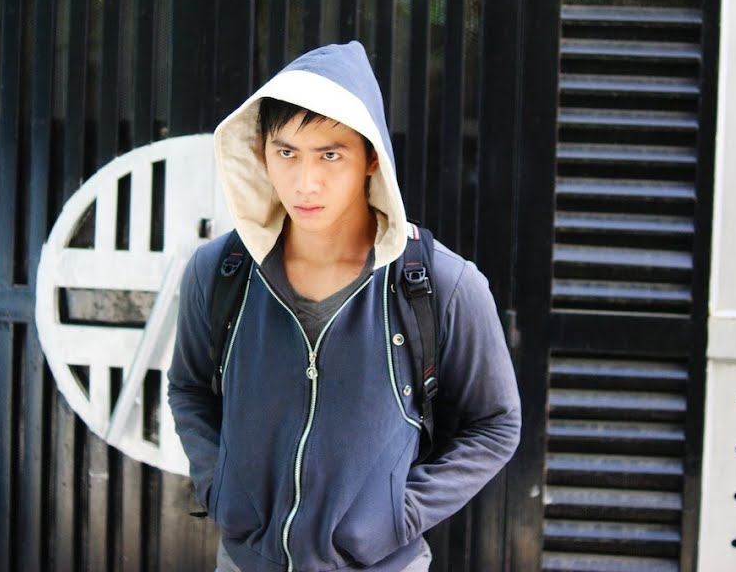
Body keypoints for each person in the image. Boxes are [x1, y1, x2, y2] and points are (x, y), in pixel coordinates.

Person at [167, 41, 521, 572]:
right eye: (287, 153)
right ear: (261, 151)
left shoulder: (441, 284)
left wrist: (397, 516)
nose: (305, 182)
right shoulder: (221, 271)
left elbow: (495, 424)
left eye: (330, 155)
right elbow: (189, 387)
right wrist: (221, 489)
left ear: (371, 157)